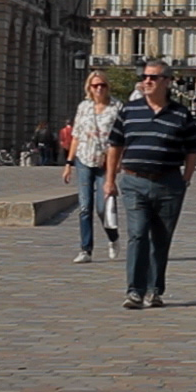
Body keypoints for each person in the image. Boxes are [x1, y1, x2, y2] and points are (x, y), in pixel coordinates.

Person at [104, 61, 196, 309]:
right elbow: (115, 145)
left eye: (153, 77)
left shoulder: (181, 114)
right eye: (145, 77)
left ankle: (154, 289)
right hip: (134, 180)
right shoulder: (129, 110)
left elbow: (193, 149)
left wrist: (186, 178)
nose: (146, 81)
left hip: (169, 183)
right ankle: (134, 291)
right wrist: (109, 180)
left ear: (167, 82)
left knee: (161, 238)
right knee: (137, 234)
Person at [64, 69, 124, 265]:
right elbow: (77, 136)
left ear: (107, 87)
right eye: (95, 85)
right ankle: (85, 249)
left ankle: (113, 237)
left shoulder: (117, 107)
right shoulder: (84, 107)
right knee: (84, 206)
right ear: (89, 88)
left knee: (102, 208)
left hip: (106, 163)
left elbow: (123, 139)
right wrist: (69, 163)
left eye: (102, 85)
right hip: (84, 159)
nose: (99, 89)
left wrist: (119, 163)